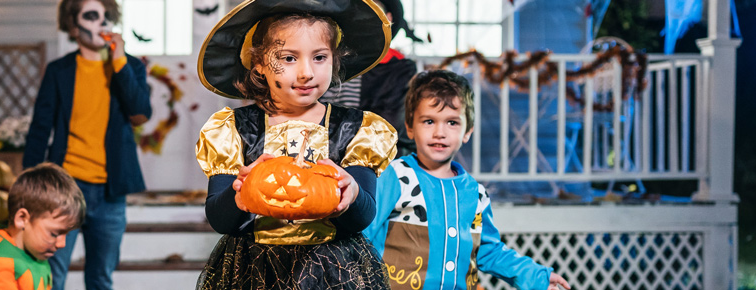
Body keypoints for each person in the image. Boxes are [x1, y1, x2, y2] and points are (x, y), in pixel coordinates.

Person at [193, 0, 398, 288]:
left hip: (332, 270)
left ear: (334, 60)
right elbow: (220, 220)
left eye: (319, 57)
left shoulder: (355, 129)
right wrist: (239, 197)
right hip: (254, 271)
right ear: (260, 64)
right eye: (289, 58)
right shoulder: (234, 130)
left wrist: (352, 195)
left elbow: (361, 219)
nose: (306, 72)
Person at [361, 70, 572, 290]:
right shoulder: (395, 176)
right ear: (410, 127)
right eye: (429, 121)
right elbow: (363, 236)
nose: (439, 132)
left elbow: (489, 251)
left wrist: (537, 277)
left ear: (467, 131)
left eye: (452, 122)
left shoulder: (475, 193)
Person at [23, 0, 152, 288]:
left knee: (100, 279)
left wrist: (119, 61)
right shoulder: (59, 70)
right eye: (92, 16)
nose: (102, 23)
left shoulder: (129, 66)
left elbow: (140, 114)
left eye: (107, 16)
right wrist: (29, 186)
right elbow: (40, 130)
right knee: (51, 276)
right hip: (64, 189)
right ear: (73, 24)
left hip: (110, 193)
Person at [320, 0, 422, 158]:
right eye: (360, 14)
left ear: (388, 19)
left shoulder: (399, 68)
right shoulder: (329, 59)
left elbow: (389, 126)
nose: (365, 22)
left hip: (374, 157)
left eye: (373, 15)